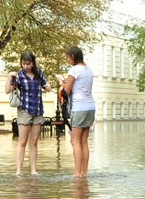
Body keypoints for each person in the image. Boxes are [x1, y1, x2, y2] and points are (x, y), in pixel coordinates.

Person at [5, 52, 52, 176]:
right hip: (24, 109)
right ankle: (18, 171)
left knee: (34, 140)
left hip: (37, 109)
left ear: (33, 63)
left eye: (28, 63)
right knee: (22, 141)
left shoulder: (38, 73)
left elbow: (45, 85)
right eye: (23, 63)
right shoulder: (19, 75)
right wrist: (10, 76)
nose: (25, 66)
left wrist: (47, 87)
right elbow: (7, 90)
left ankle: (33, 170)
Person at [57, 46, 95, 178]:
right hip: (90, 107)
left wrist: (61, 83)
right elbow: (80, 85)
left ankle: (77, 173)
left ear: (72, 57)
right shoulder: (88, 70)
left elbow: (65, 92)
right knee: (84, 140)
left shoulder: (74, 70)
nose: (67, 60)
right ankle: (84, 173)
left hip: (79, 108)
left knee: (75, 141)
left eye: (68, 57)